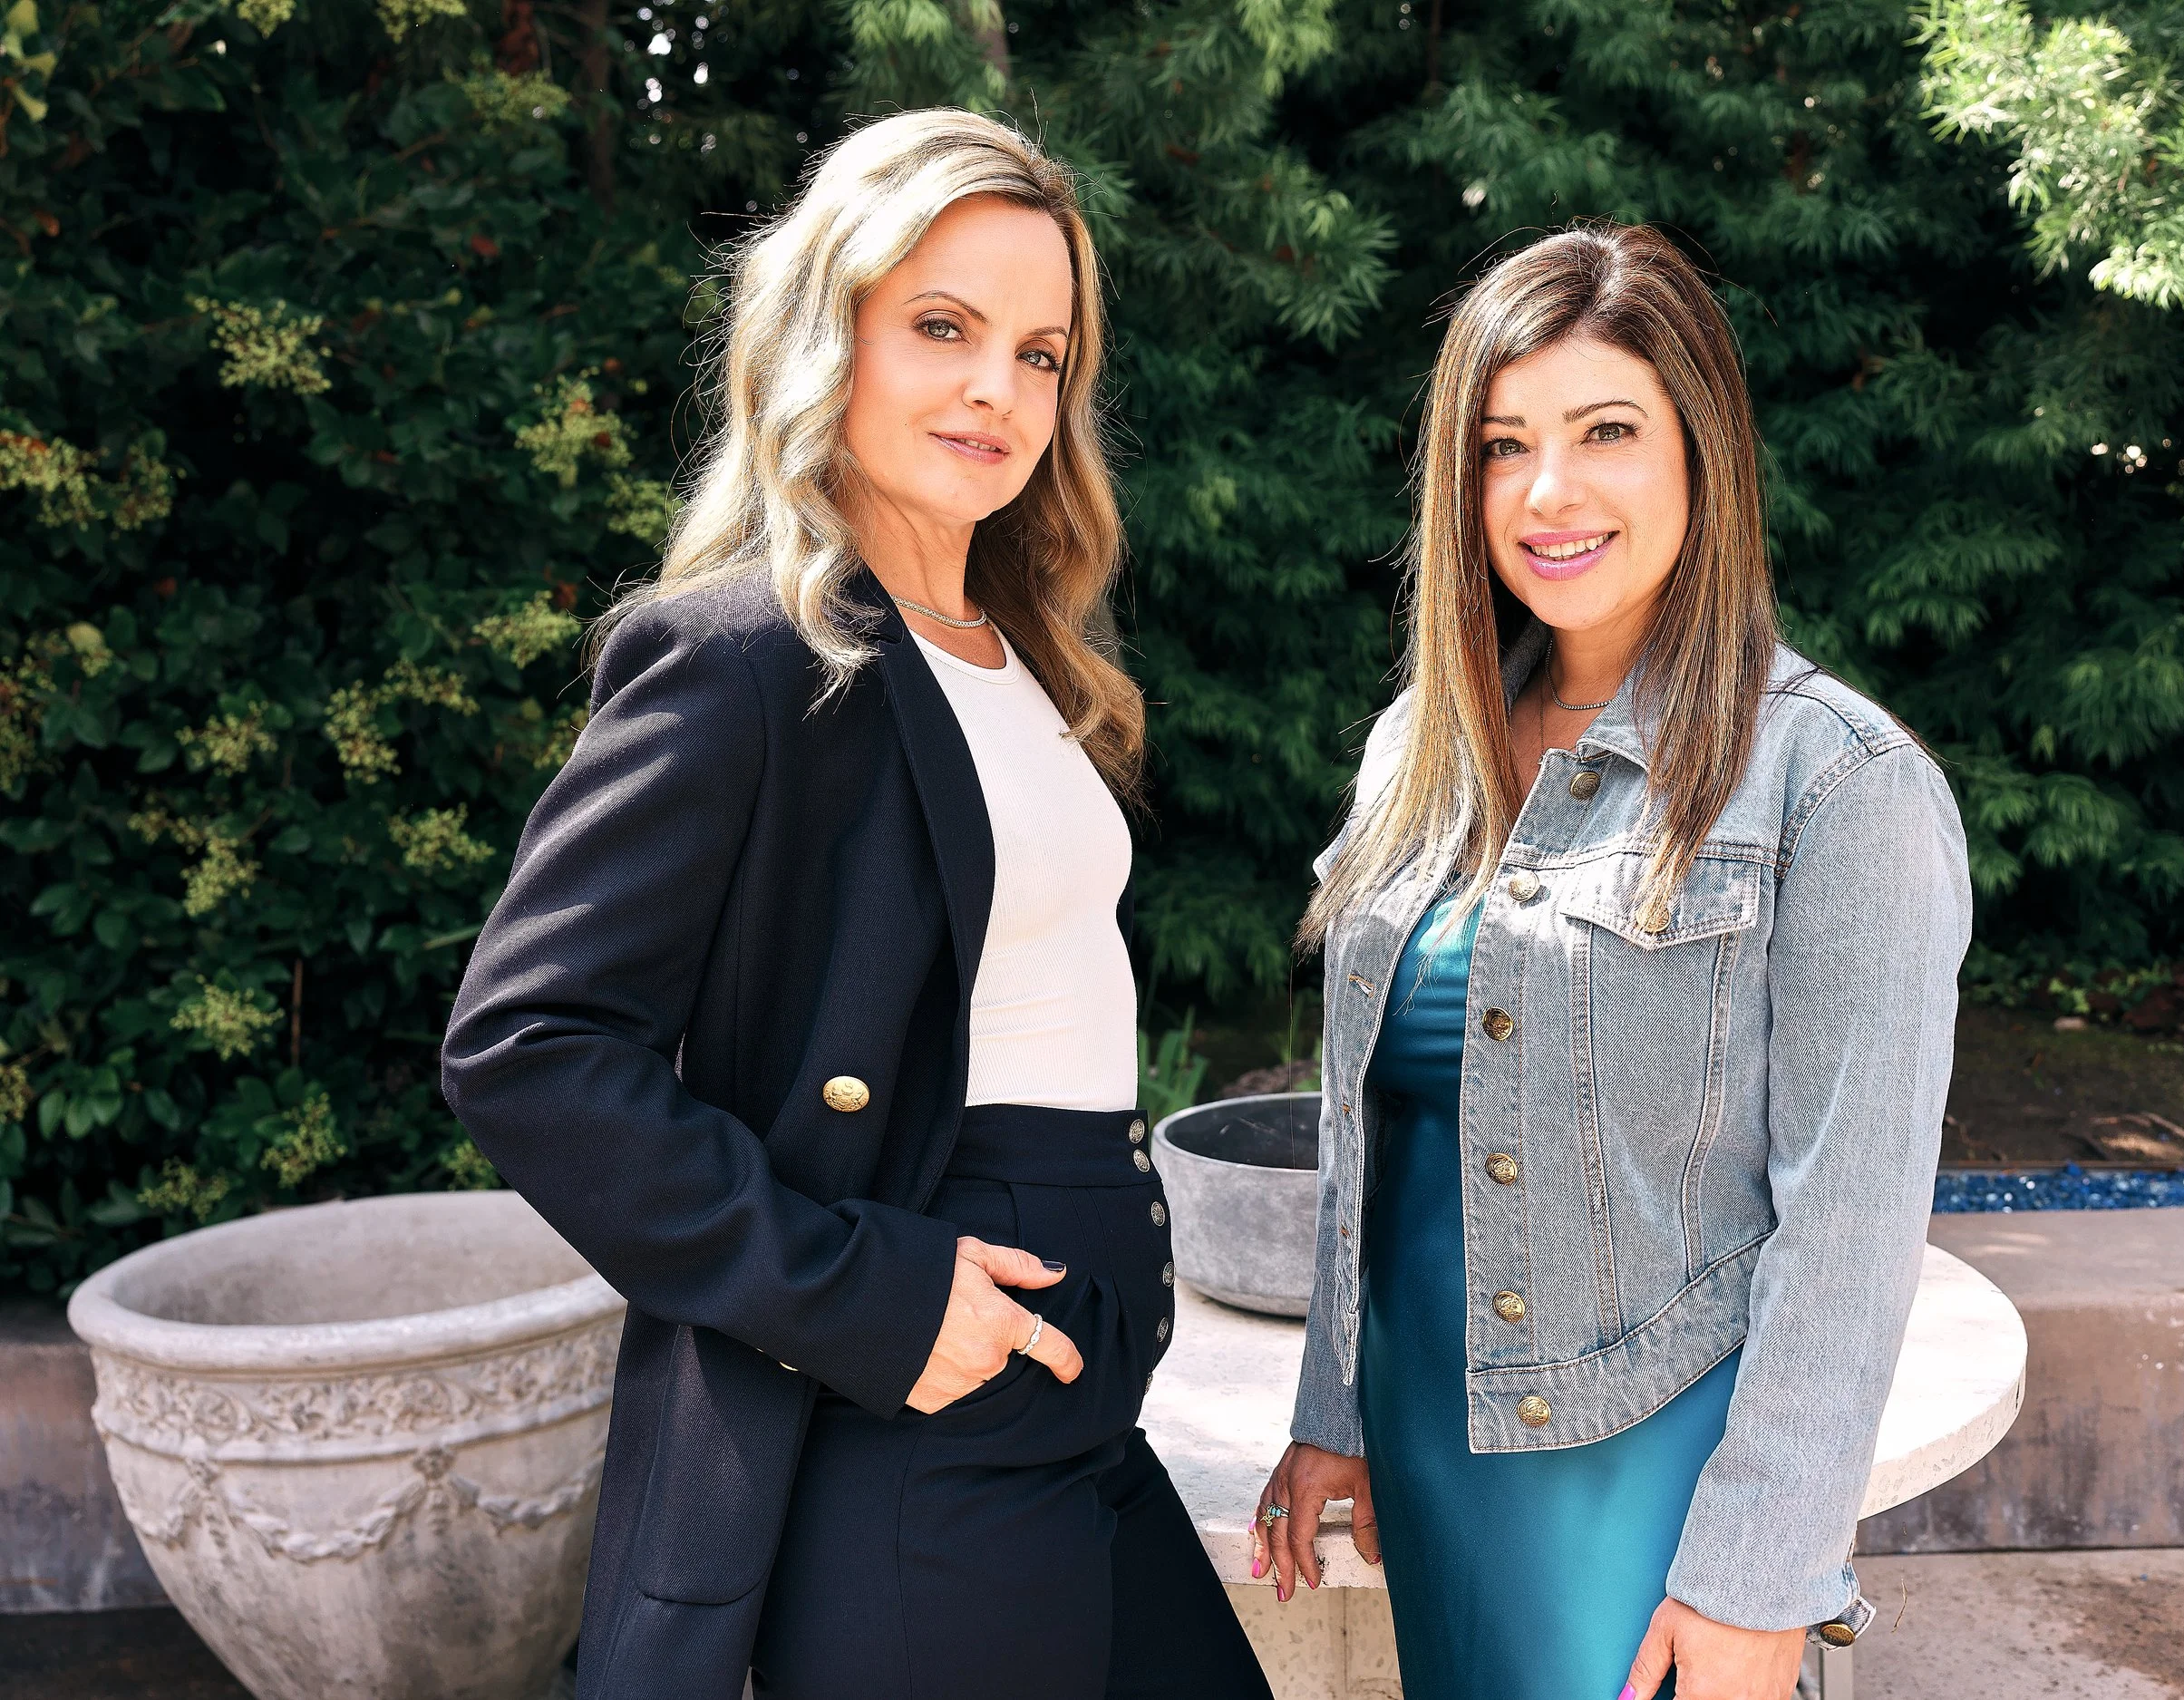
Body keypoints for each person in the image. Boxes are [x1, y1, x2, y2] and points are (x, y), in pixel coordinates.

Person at [442, 110, 1273, 1700]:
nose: (997, 390)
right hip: (921, 1418)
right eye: (942, 328)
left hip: (1077, 1401)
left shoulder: (1012, 644)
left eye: (1040, 354)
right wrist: (867, 1298)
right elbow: (527, 1044)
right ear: (834, 330)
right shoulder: (753, 651)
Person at [1251, 223, 1971, 1700]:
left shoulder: (1836, 785)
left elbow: (1850, 1229)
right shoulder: (1418, 751)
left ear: (1703, 454)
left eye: (1606, 432)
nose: (1548, 491)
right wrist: (1337, 1400)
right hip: (1428, 1435)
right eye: (1505, 444)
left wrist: (1763, 1574)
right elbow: (1370, 1132)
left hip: (1649, 1465)